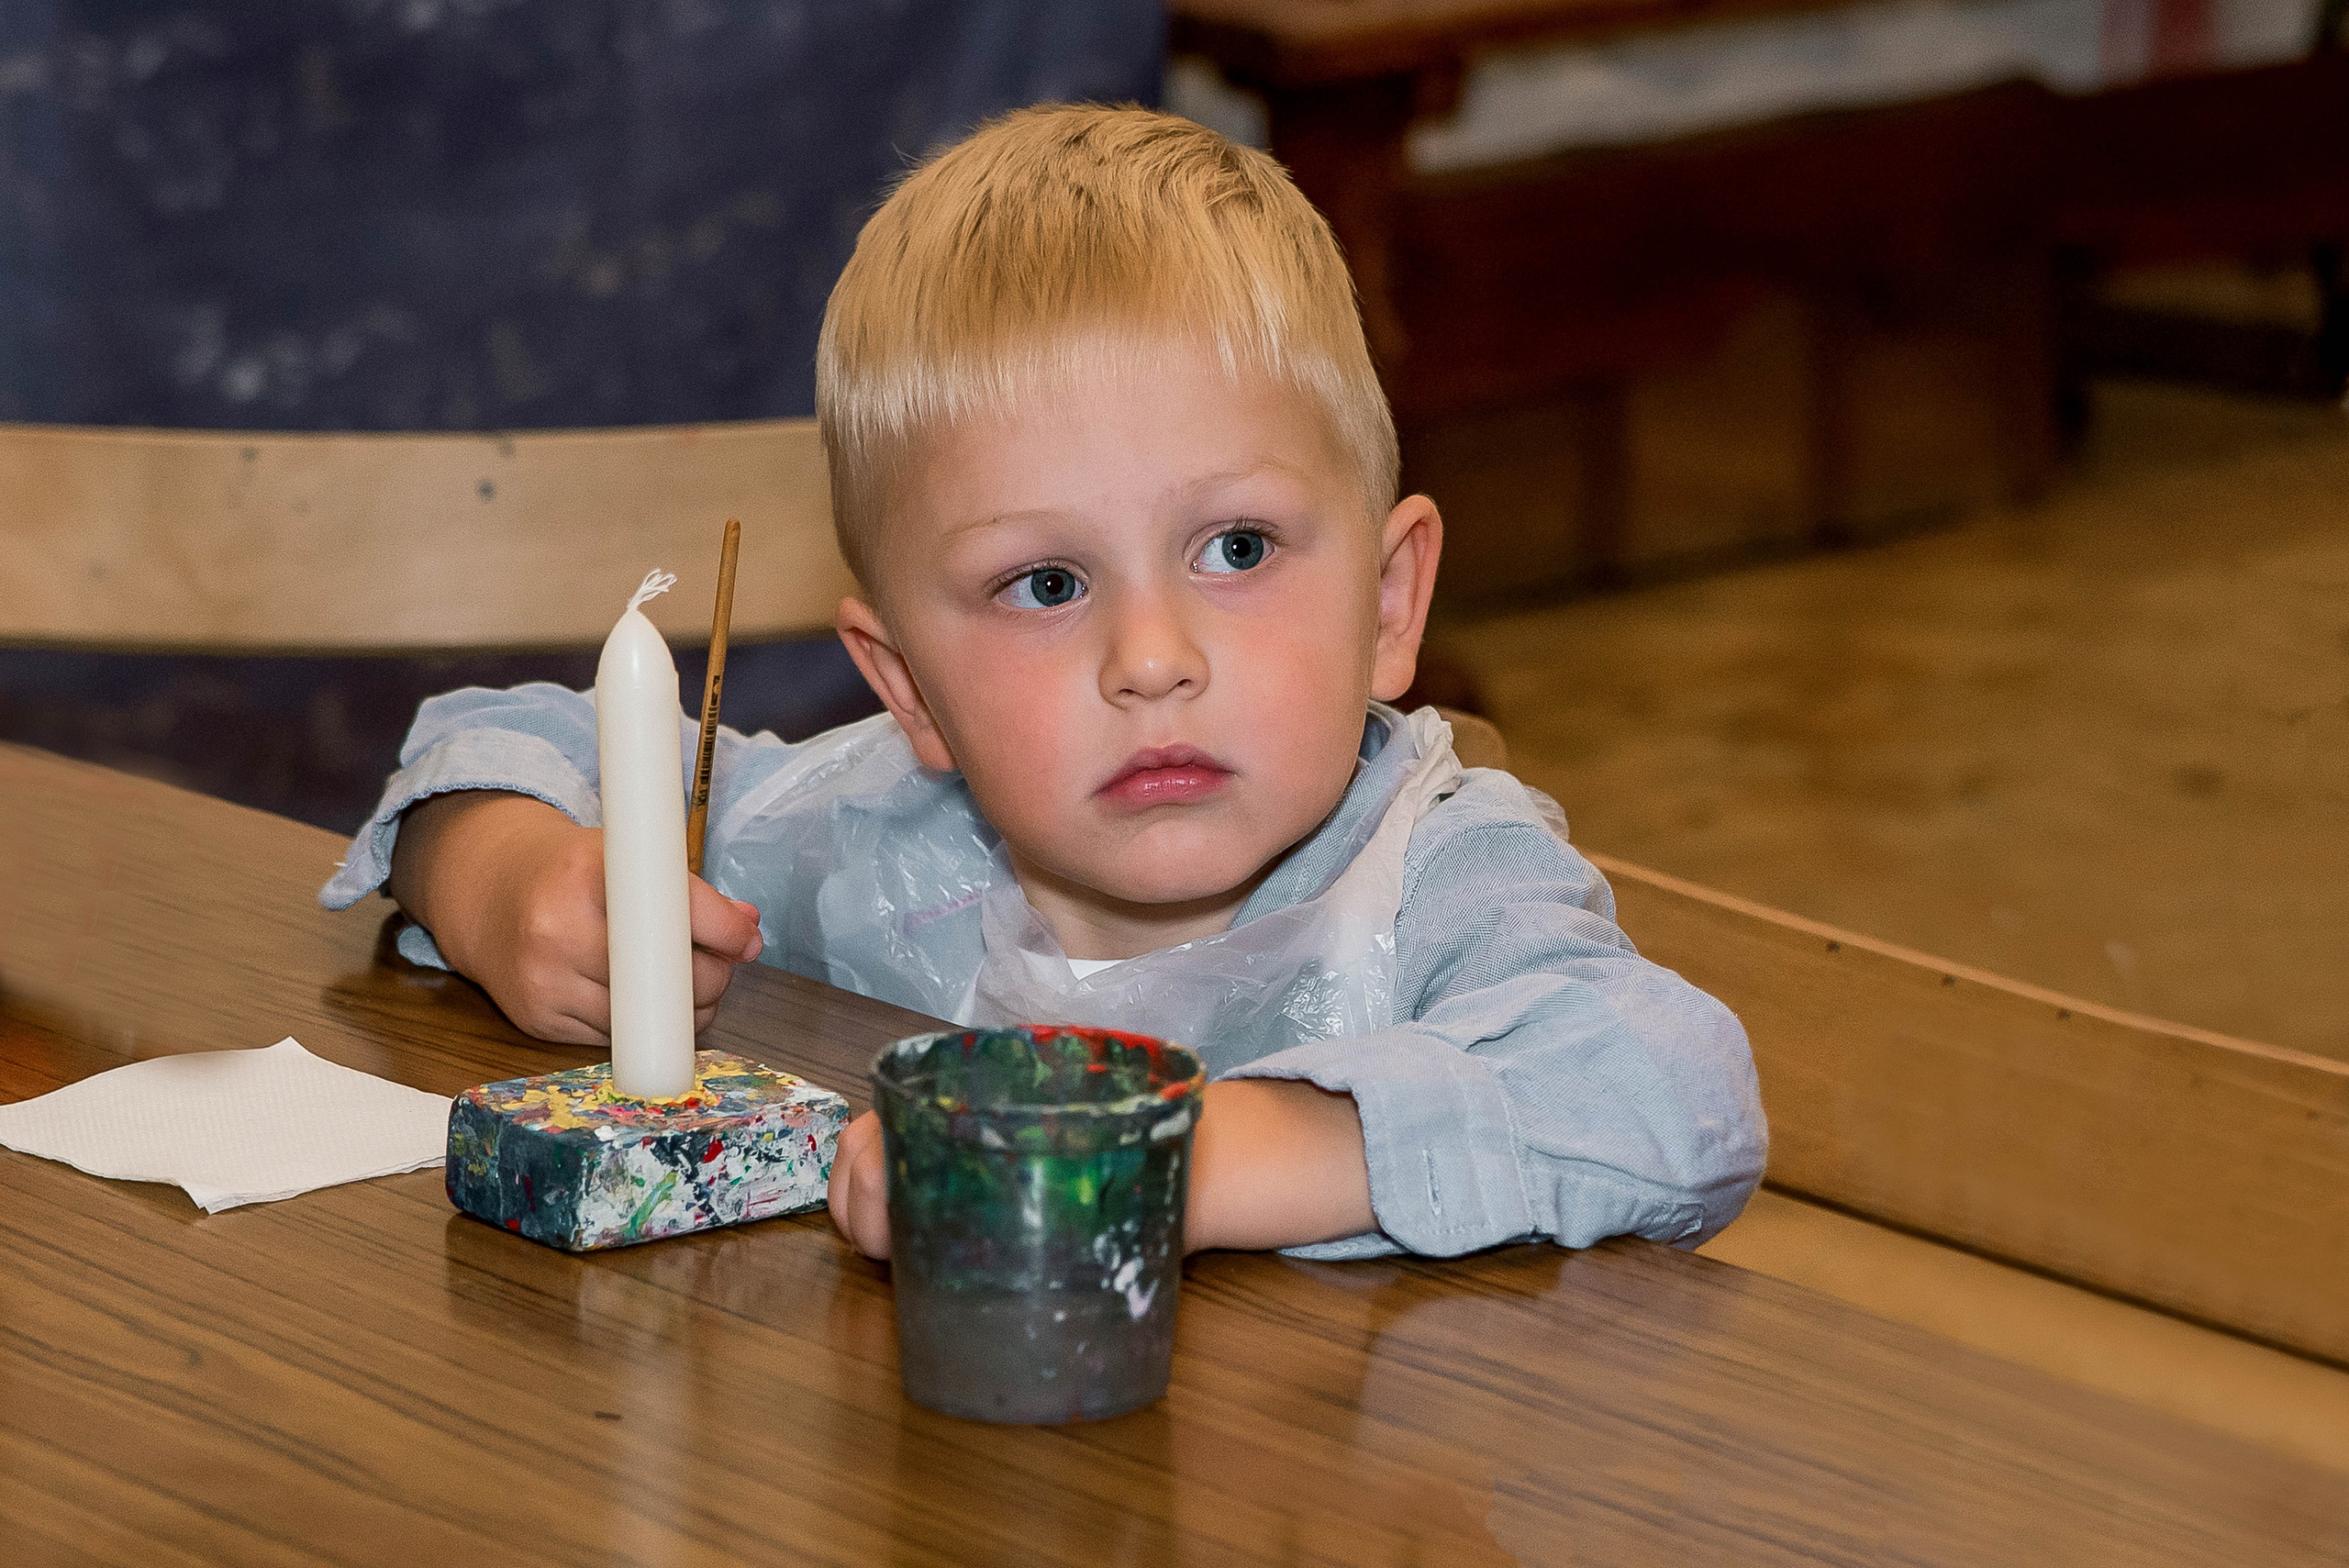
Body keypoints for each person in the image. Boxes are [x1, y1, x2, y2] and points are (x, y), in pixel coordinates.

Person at [322, 105, 1765, 1262]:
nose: (1151, 659)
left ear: (1391, 604)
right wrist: (515, 885)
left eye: (1238, 546)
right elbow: (502, 738)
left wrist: (1183, 1159)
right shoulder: (878, 845)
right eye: (1047, 585)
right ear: (911, 691)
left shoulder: (1435, 877)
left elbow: (1669, 1088)